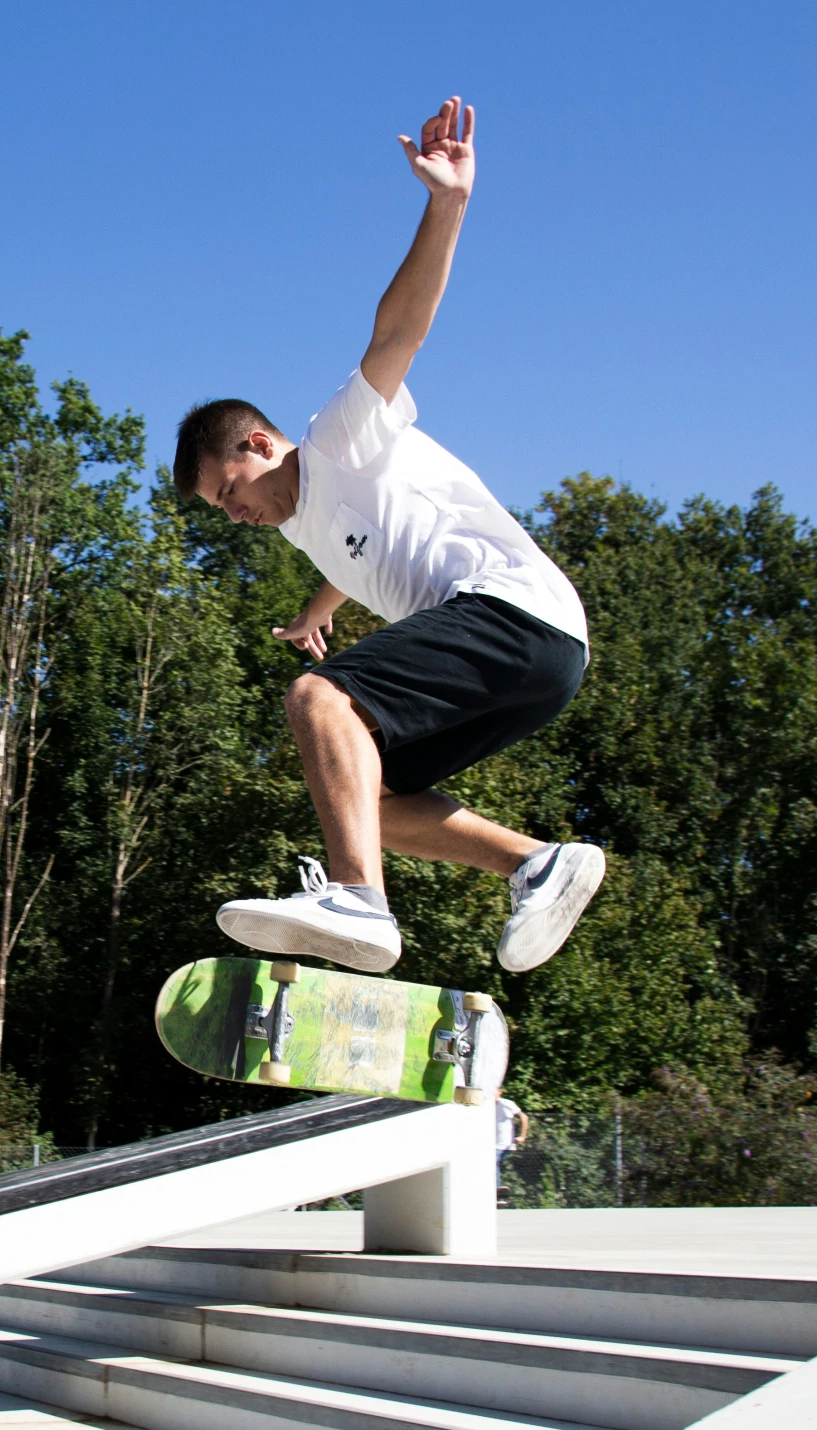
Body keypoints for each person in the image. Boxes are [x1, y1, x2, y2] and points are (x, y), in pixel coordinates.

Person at [179, 98, 604, 975]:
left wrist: (445, 202)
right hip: (544, 661)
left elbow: (398, 331)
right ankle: (539, 863)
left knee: (317, 702)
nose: (235, 516)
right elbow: (355, 546)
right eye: (221, 512)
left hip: (517, 613)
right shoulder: (310, 526)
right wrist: (315, 609)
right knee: (366, 789)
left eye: (230, 492)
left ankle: (360, 904)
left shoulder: (339, 436)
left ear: (260, 445)